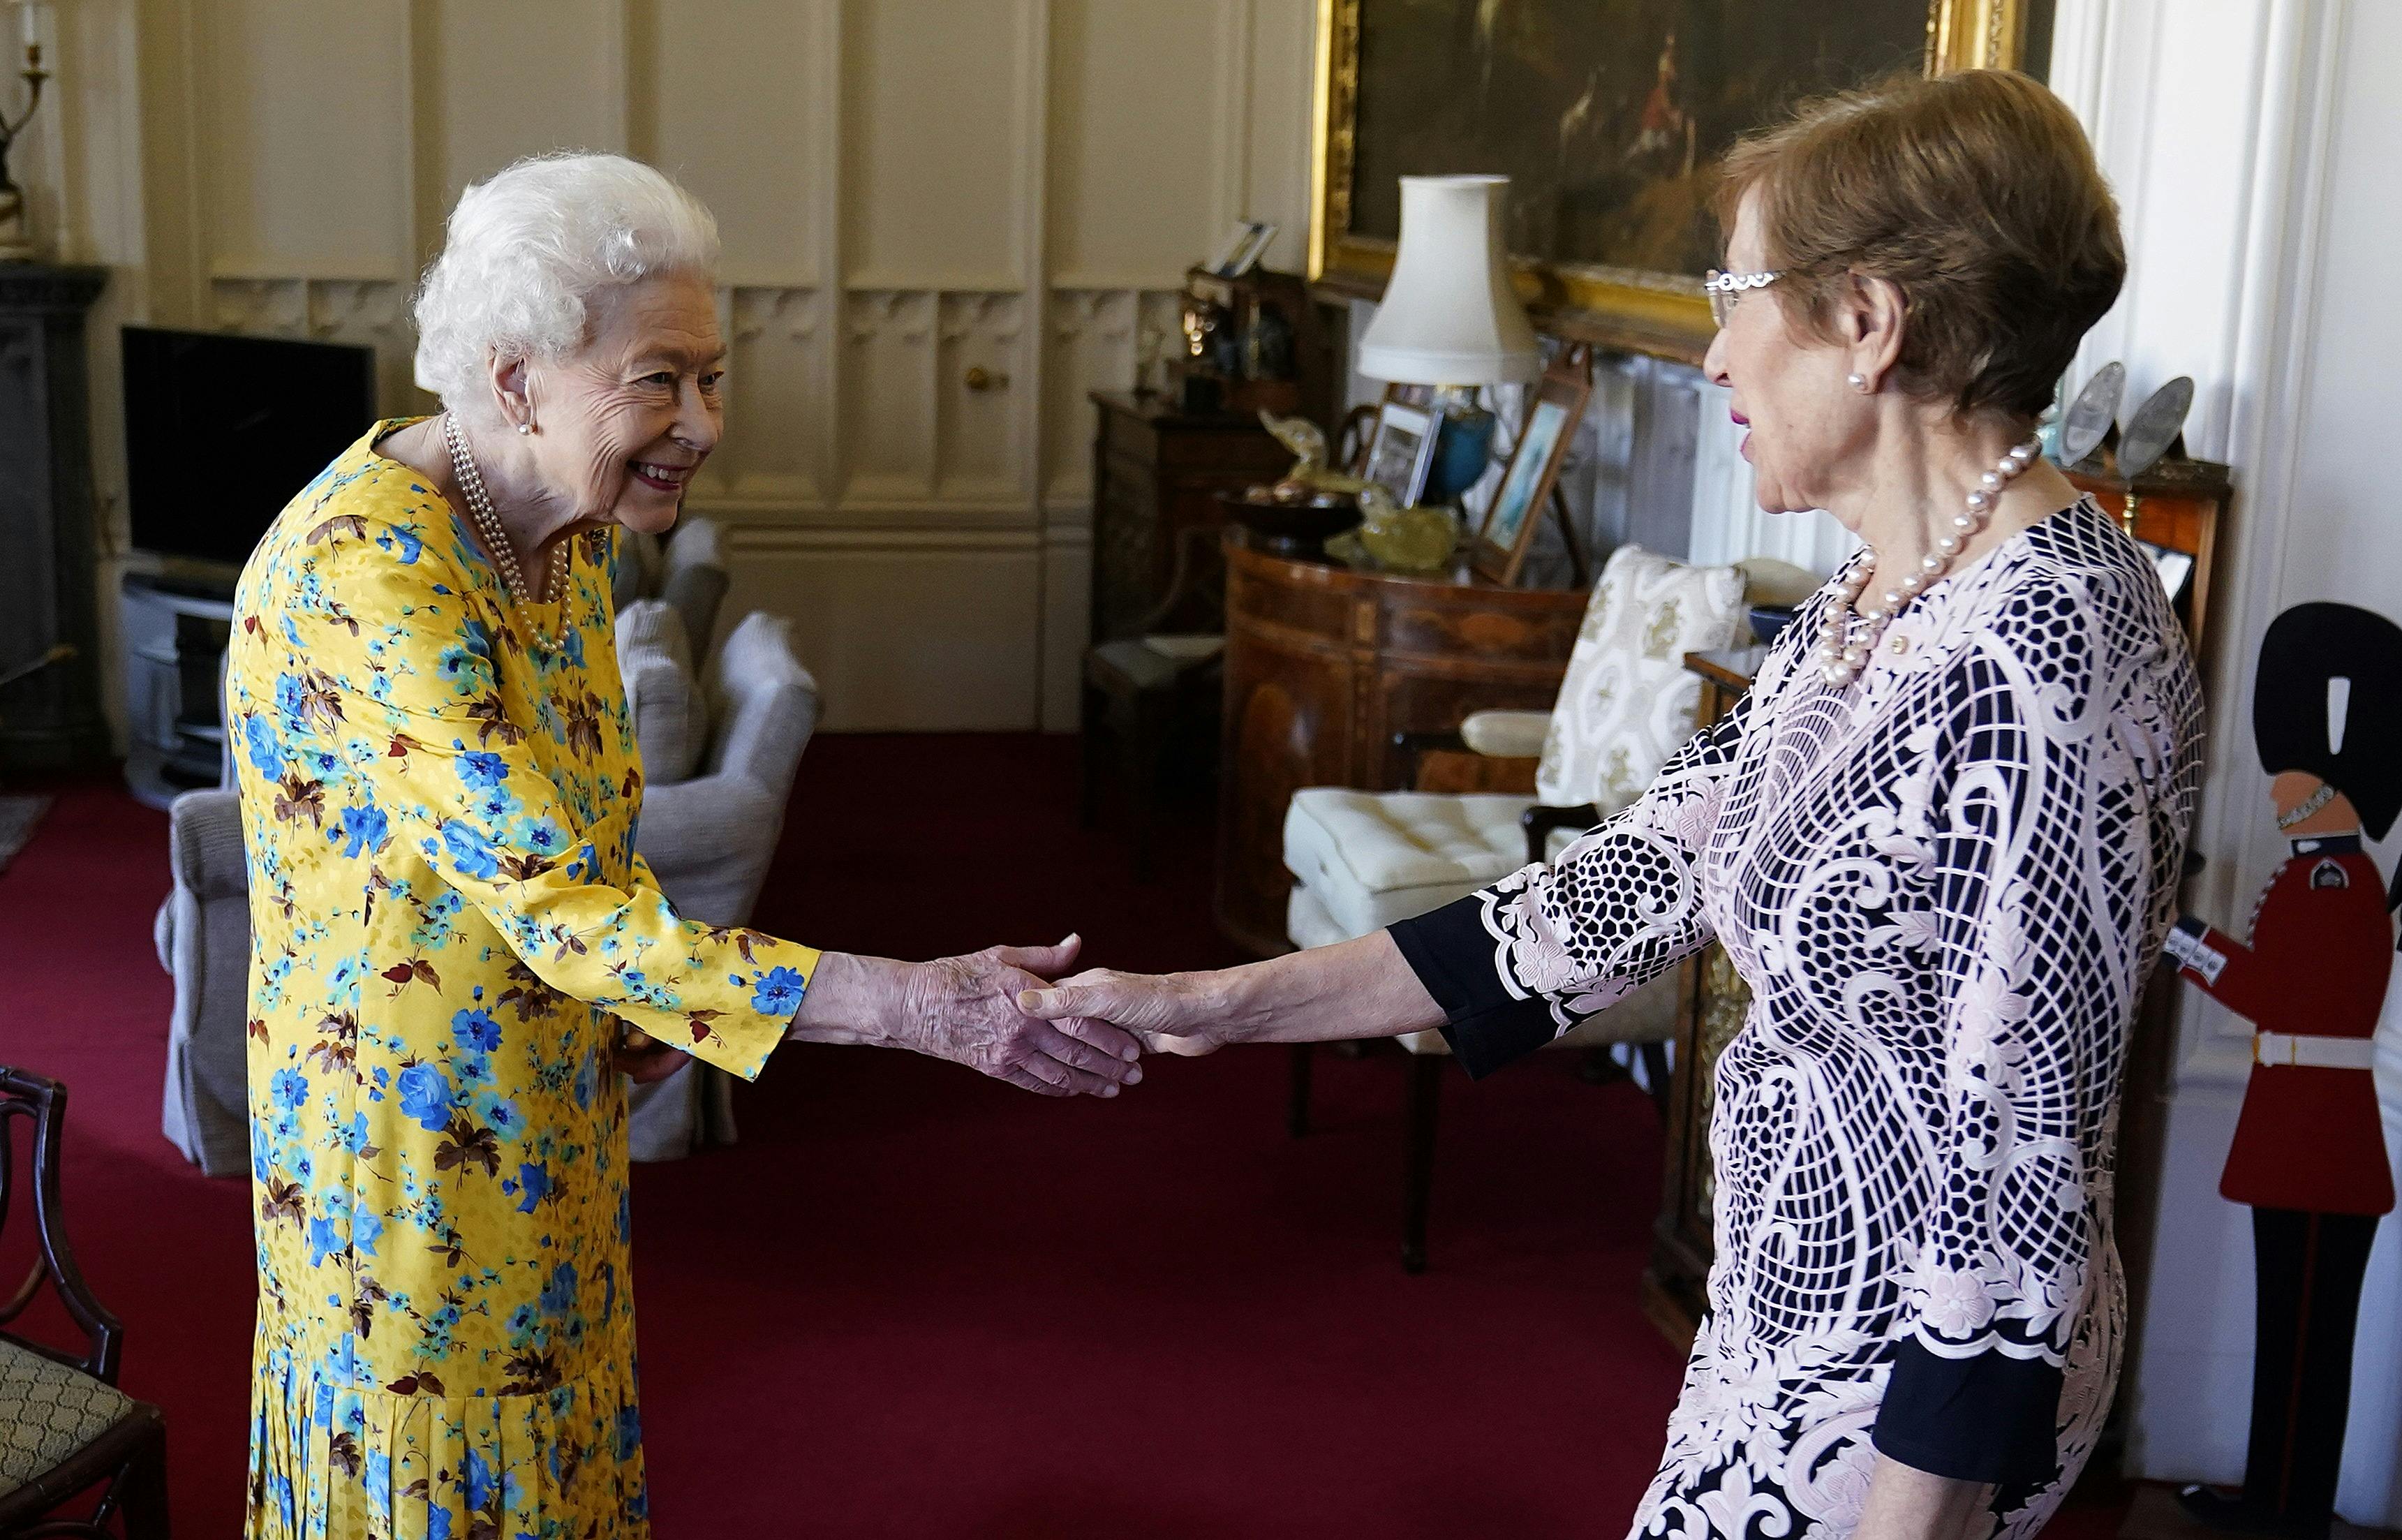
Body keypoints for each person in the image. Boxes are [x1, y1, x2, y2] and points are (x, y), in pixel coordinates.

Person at [1025, 70, 2203, 1540]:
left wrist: (1914, 1517)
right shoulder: (1884, 590)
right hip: (1784, 1325)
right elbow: (1625, 881)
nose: (1709, 352)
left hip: (1899, 1397)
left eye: (1734, 296)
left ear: (1866, 320)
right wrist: (1215, 1000)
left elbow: (2013, 1161)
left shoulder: (2043, 643)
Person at [225, 153, 1140, 1540]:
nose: (701, 421)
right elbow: (554, 888)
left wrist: (649, 1002)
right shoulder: (371, 572)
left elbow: (595, 829)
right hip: (404, 1158)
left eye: (712, 376)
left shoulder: (565, 532)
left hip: (552, 1106)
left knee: (561, 1437)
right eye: (659, 378)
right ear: (515, 374)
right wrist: (910, 1003)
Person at [2165, 603, 2402, 1540]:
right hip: (2302, 1128)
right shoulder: (2318, 875)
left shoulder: (2337, 884)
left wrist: (2180, 936)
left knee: (2306, 1335)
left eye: (2293, 783)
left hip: (2318, 1138)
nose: (2276, 795)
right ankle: (2270, 1494)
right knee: (2291, 1331)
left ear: (2332, 794)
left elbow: (2276, 997)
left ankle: (2290, 1509)